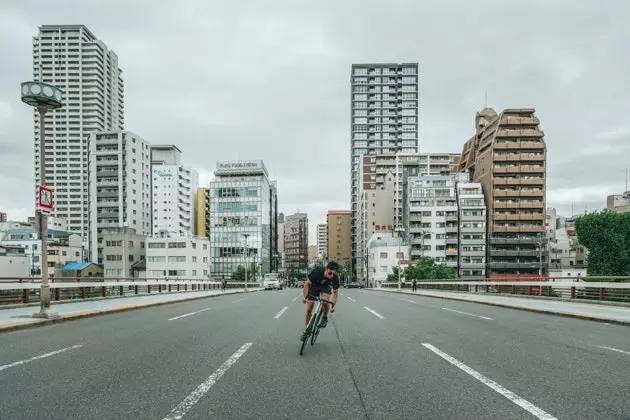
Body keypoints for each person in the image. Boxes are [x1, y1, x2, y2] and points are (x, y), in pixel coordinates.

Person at [301, 261, 340, 341]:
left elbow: (335, 293)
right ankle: (307, 330)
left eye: (334, 274)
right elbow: (307, 284)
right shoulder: (317, 271)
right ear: (326, 269)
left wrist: (333, 306)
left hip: (326, 286)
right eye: (330, 273)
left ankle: (324, 317)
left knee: (325, 301)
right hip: (314, 285)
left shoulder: (335, 278)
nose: (331, 275)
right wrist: (305, 297)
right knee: (309, 307)